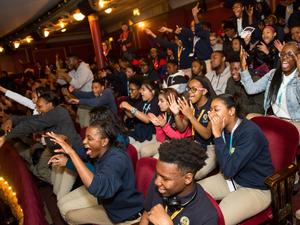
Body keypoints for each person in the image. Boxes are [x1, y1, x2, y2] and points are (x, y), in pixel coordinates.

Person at [47, 119, 144, 225]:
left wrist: (71, 153)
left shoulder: (116, 159)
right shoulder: (102, 150)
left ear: (104, 141)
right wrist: (68, 144)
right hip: (109, 204)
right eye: (85, 137)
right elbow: (82, 153)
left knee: (69, 215)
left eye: (90, 139)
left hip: (125, 216)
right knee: (64, 207)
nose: (84, 141)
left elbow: (98, 187)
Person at [198, 94, 274, 225]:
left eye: (216, 110)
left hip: (255, 188)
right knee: (196, 190)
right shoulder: (224, 129)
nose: (211, 114)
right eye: (210, 110)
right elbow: (225, 164)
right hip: (232, 179)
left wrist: (216, 136)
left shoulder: (250, 132)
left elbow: (228, 169)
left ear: (231, 111)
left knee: (218, 219)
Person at [139, 138, 218, 225]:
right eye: (157, 174)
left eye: (165, 179)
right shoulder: (160, 182)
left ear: (187, 178)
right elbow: (147, 213)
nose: (157, 182)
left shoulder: (207, 217)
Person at [240, 42, 300, 132]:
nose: (285, 57)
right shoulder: (273, 74)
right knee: (249, 118)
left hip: (293, 122)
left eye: (290, 55)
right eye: (282, 54)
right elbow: (251, 89)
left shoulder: (298, 78)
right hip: (274, 118)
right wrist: (244, 68)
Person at [175, 76, 217, 179]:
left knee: (197, 174)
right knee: (176, 166)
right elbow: (182, 128)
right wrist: (176, 114)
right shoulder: (191, 105)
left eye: (194, 89)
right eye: (189, 89)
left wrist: (190, 116)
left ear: (204, 91)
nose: (190, 92)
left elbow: (207, 135)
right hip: (195, 144)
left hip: (211, 148)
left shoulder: (214, 106)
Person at [120, 79, 160, 155]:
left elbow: (147, 120)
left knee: (132, 149)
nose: (140, 92)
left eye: (143, 90)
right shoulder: (142, 102)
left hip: (151, 134)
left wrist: (130, 107)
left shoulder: (156, 102)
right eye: (141, 89)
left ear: (153, 92)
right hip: (139, 132)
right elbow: (131, 115)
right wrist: (125, 108)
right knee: (123, 142)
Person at [57, 55, 94, 127]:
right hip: (82, 101)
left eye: (69, 61)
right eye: (66, 61)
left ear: (76, 60)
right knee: (81, 123)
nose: (67, 63)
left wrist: (65, 75)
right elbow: (60, 81)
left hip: (90, 100)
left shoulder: (84, 70)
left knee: (87, 125)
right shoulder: (74, 71)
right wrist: (58, 70)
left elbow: (78, 85)